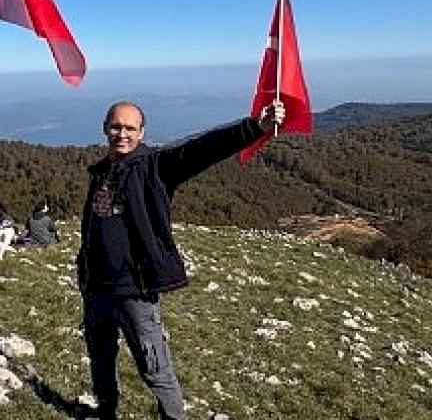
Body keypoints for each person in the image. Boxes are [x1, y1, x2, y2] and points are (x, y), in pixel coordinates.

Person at [76, 99, 285, 420]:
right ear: (105, 129)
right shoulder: (100, 172)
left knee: (154, 368)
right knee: (101, 358)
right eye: (116, 127)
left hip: (135, 291)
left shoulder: (155, 167)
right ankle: (106, 412)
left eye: (130, 128)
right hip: (96, 289)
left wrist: (254, 127)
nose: (122, 134)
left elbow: (201, 150)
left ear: (142, 132)